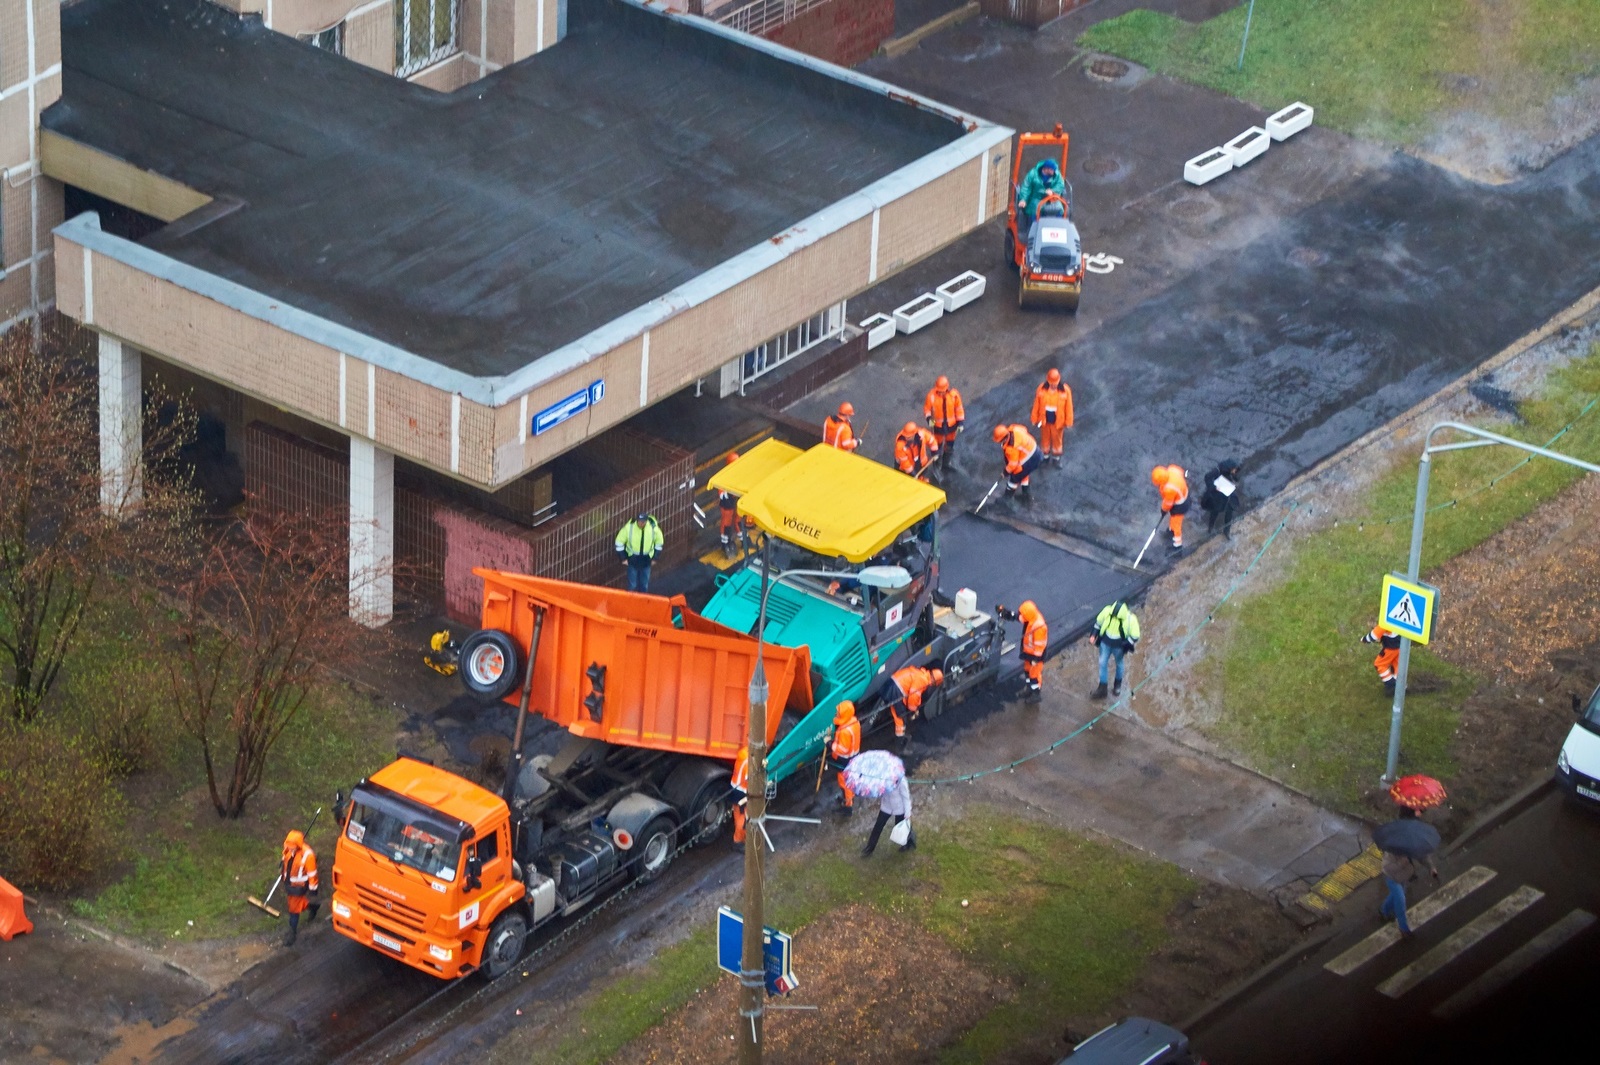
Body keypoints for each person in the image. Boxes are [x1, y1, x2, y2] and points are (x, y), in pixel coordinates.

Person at [1378, 807, 1439, 937]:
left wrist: (1431, 867)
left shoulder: (1412, 837)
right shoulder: (1394, 844)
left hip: (1404, 875)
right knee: (1400, 900)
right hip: (1392, 877)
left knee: (1396, 896)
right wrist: (1405, 860)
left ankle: (1384, 910)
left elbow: (1422, 854)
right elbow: (1387, 867)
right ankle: (1404, 929)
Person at [1089, 598, 1140, 699]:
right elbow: (1098, 623)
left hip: (1119, 646)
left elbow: (1135, 635)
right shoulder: (1107, 611)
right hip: (1105, 643)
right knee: (1102, 662)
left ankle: (1117, 686)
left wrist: (1126, 644)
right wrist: (1093, 634)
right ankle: (1102, 688)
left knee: (1119, 664)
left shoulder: (1131, 619)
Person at [997, 601, 1048, 699]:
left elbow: (1040, 645)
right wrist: (1007, 614)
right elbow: (1019, 617)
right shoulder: (1030, 618)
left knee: (1034, 675)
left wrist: (1036, 659)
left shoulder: (1039, 626)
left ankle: (1036, 694)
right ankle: (1029, 689)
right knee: (1027, 671)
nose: (1021, 616)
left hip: (1036, 656)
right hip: (1029, 653)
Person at [886, 664, 943, 744]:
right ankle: (901, 742)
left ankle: (900, 738)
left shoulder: (921, 674)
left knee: (896, 712)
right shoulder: (923, 681)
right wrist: (913, 711)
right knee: (901, 716)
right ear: (935, 682)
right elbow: (913, 697)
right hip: (896, 689)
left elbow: (914, 694)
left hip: (893, 684)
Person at [281, 829, 319, 947]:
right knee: (296, 904)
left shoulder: (308, 855)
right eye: (288, 846)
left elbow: (312, 873)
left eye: (292, 847)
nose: (290, 848)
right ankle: (312, 907)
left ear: (297, 845)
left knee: (293, 909)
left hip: (299, 886)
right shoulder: (288, 849)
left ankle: (292, 932)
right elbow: (285, 858)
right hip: (289, 884)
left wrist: (313, 889)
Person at [861, 772, 915, 856]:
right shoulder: (882, 779)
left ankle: (907, 843)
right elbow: (880, 792)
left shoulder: (902, 781)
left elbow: (906, 798)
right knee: (877, 827)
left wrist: (907, 813)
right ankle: (869, 848)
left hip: (899, 809)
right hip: (886, 807)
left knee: (900, 827)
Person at [1030, 369, 1074, 465]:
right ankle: (1045, 457)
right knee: (1045, 440)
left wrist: (1068, 422)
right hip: (1044, 420)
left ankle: (1056, 459)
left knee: (1057, 441)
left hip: (1058, 422)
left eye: (1055, 383)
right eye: (1052, 384)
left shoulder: (1065, 390)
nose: (1053, 385)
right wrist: (1034, 418)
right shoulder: (1041, 389)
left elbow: (1069, 407)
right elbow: (1036, 404)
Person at [923, 375, 965, 474]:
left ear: (946, 388)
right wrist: (929, 419)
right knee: (936, 446)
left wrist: (960, 423)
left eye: (942, 391)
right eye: (939, 391)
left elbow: (959, 409)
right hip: (938, 426)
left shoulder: (954, 395)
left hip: (951, 426)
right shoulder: (931, 396)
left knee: (949, 445)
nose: (940, 393)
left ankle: (946, 464)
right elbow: (927, 409)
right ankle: (936, 465)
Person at [614, 513, 664, 592]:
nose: (641, 523)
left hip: (646, 559)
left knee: (644, 585)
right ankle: (632, 603)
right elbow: (619, 542)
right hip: (633, 559)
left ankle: (642, 602)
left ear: (646, 521)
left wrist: (655, 558)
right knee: (632, 585)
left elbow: (659, 543)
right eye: (639, 521)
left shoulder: (653, 529)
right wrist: (623, 558)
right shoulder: (629, 528)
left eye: (643, 521)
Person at [1016, 157, 1066, 234]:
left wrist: (1052, 191)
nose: (1054, 171)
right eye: (1052, 170)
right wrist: (1023, 199)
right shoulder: (1033, 174)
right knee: (1034, 211)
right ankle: (1033, 232)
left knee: (1059, 210)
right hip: (1036, 198)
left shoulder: (1056, 174)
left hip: (1051, 198)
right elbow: (1026, 187)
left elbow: (1060, 185)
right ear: (1046, 169)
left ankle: (1057, 230)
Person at [829, 701, 861, 815]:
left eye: (838, 713)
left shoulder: (844, 731)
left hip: (845, 759)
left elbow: (842, 749)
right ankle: (849, 797)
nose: (836, 714)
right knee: (849, 780)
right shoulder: (854, 722)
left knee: (844, 783)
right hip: (853, 756)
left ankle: (848, 806)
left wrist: (830, 744)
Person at [993, 423, 1041, 499]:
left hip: (1030, 459)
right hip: (1036, 450)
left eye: (1000, 440)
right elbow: (1024, 429)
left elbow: (1013, 464)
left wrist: (1005, 472)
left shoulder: (1011, 448)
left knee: (1015, 476)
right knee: (1023, 473)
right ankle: (1027, 496)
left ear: (1004, 438)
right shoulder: (1014, 428)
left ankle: (1006, 499)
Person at [1200, 458, 1242, 539]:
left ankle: (1226, 531)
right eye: (1233, 470)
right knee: (1215, 511)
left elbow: (1234, 478)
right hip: (1217, 495)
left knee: (1230, 511)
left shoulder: (1230, 471)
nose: (1234, 472)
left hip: (1227, 493)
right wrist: (1214, 487)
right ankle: (1210, 528)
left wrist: (1235, 483)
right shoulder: (1217, 470)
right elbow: (1207, 477)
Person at [1151, 465, 1190, 552]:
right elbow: (1182, 472)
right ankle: (1170, 532)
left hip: (1180, 505)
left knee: (1176, 525)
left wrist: (1163, 510)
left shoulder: (1169, 489)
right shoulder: (1172, 469)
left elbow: (1168, 503)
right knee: (1172, 520)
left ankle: (1177, 546)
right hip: (1184, 495)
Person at [1362, 623, 1401, 696]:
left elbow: (1374, 635)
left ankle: (1391, 685)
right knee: (1397, 665)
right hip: (1400, 646)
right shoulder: (1398, 620)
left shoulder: (1386, 621)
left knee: (1379, 664)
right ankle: (1401, 685)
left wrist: (1365, 639)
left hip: (1390, 649)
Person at [717, 451, 743, 557]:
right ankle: (725, 543)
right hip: (727, 502)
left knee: (736, 521)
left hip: (733, 500)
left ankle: (732, 540)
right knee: (726, 523)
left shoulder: (735, 473)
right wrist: (726, 497)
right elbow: (721, 489)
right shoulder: (725, 475)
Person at [730, 746, 749, 849]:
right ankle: (738, 840)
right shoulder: (750, 761)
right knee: (743, 817)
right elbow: (749, 779)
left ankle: (740, 838)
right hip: (742, 791)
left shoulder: (743, 752)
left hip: (734, 786)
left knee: (737, 814)